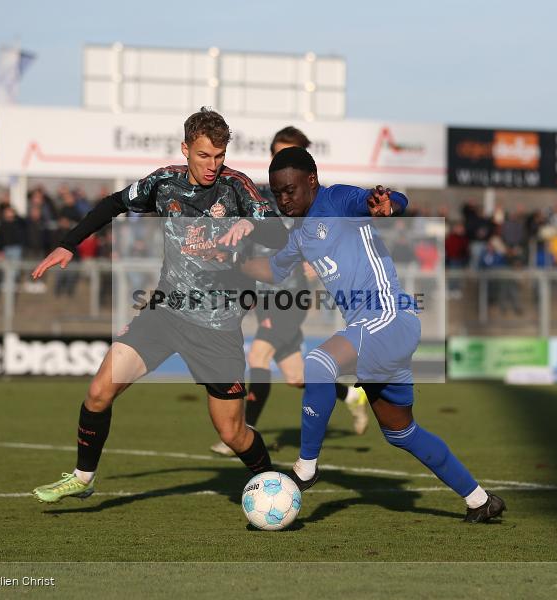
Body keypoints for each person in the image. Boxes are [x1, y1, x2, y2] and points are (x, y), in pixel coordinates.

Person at [29, 108, 288, 503]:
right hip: (164, 312)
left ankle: (273, 483)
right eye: (204, 156)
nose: (212, 165)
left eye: (219, 156)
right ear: (186, 149)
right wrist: (69, 243)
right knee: (99, 391)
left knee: (232, 432)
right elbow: (112, 203)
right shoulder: (164, 182)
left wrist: (252, 224)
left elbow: (279, 234)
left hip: (216, 325)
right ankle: (83, 477)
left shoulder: (237, 187)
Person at [238, 147, 506, 523]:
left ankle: (305, 469)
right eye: (277, 192)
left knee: (318, 363)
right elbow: (273, 270)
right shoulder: (298, 236)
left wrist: (387, 204)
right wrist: (229, 260)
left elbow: (384, 199)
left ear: (311, 182)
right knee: (402, 432)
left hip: (388, 317)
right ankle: (480, 500)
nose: (284, 199)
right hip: (376, 332)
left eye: (290, 190)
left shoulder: (335, 198)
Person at [208, 126, 368, 457]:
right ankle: (351, 395)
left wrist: (316, 259)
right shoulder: (257, 197)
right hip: (265, 295)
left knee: (258, 356)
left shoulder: (307, 200)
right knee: (296, 376)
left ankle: (240, 433)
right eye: (278, 153)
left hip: (290, 295)